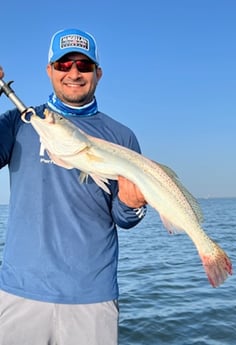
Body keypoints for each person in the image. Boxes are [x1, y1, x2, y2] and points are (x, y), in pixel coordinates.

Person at [0, 28, 147, 345]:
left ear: (98, 73)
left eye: (84, 65)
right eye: (64, 65)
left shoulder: (122, 137)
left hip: (91, 297)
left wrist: (133, 205)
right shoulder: (20, 121)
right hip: (18, 292)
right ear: (49, 70)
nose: (74, 73)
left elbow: (124, 217)